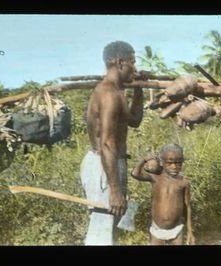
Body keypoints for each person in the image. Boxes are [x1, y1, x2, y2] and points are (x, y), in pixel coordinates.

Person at [80, 41, 144, 245]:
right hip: (105, 164)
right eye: (132, 62)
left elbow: (134, 121)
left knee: (111, 228)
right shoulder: (108, 94)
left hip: (112, 163)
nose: (135, 67)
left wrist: (139, 89)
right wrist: (115, 191)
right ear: (119, 62)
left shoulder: (118, 91)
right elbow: (107, 143)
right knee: (102, 230)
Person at [131, 144, 196, 245]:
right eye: (169, 163)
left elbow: (187, 207)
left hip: (176, 229)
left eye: (178, 163)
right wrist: (144, 160)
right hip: (157, 230)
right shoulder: (156, 178)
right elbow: (135, 174)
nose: (174, 166)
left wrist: (190, 232)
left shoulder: (184, 183)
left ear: (182, 162)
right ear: (162, 162)